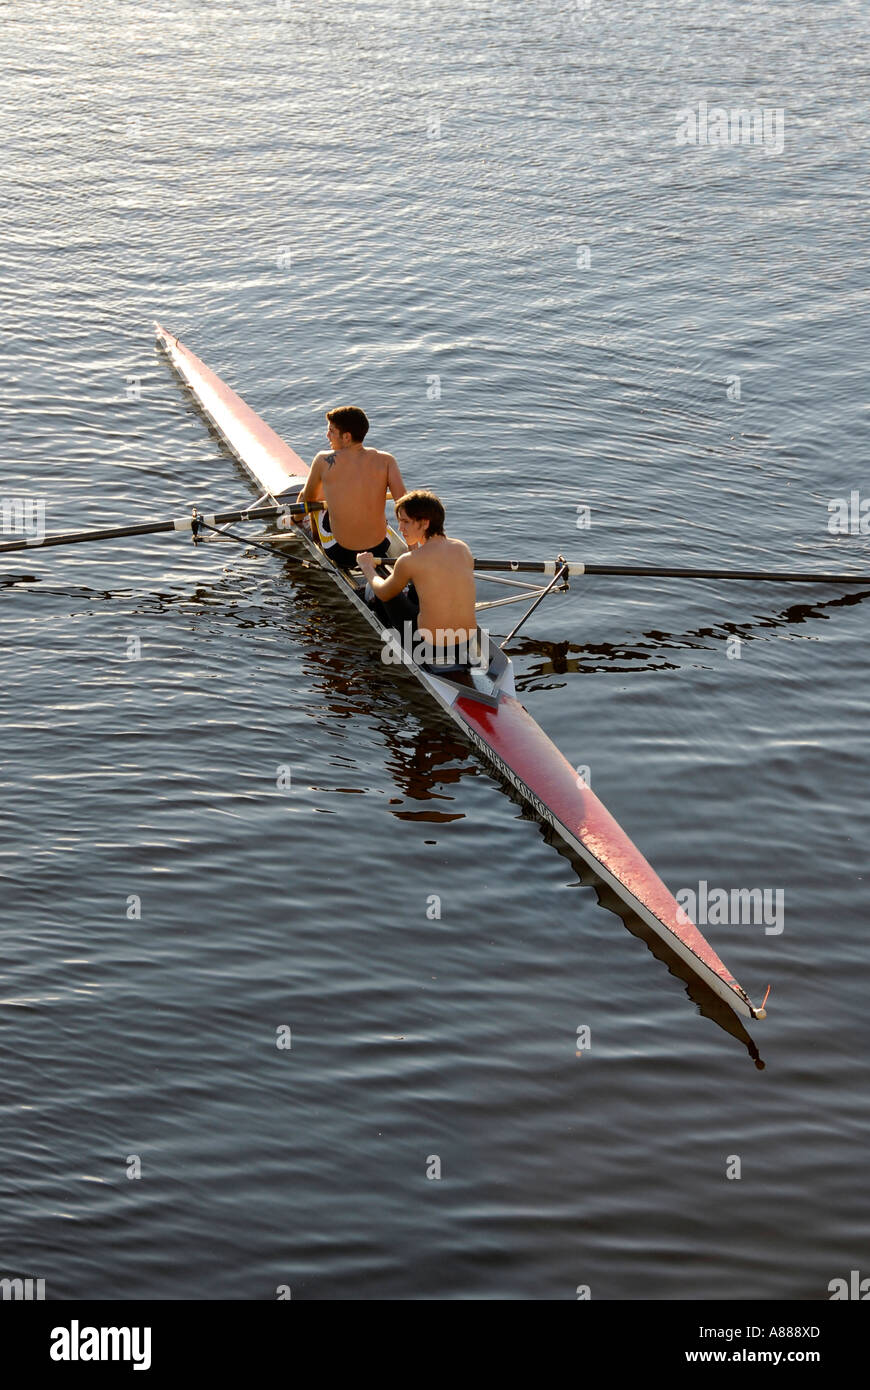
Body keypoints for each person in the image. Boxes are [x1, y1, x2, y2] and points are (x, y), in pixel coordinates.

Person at [356, 490, 479, 666]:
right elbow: (430, 574)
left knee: (379, 590)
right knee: (422, 589)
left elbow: (384, 593)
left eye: (405, 522)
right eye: (399, 522)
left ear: (425, 523)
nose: (400, 528)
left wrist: (367, 567)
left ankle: (391, 638)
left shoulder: (409, 561)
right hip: (465, 643)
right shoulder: (462, 548)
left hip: (426, 647)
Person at [296, 406, 406, 569]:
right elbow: (405, 505)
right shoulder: (387, 460)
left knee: (315, 502)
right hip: (380, 547)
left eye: (331, 431)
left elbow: (307, 499)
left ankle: (314, 540)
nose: (327, 435)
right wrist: (414, 550)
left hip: (340, 551)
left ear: (346, 436)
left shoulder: (323, 460)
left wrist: (295, 519)